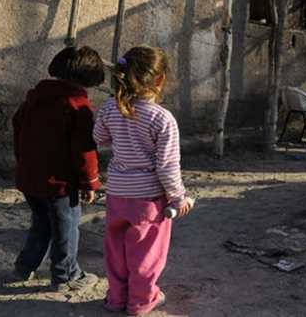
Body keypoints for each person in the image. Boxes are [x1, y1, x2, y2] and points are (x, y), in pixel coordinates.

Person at [93, 45, 192, 316]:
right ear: (160, 80)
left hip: (116, 194)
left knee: (116, 250)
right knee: (146, 253)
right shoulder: (163, 119)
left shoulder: (110, 108)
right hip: (148, 200)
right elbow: (167, 167)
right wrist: (179, 198)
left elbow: (98, 139)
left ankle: (116, 298)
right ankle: (140, 301)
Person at [12, 45, 104, 292]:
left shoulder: (33, 99)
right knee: (66, 228)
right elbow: (84, 151)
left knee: (41, 223)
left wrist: (23, 165)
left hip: (30, 178)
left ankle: (24, 266)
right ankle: (66, 275)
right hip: (61, 184)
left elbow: (18, 134)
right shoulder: (78, 106)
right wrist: (90, 183)